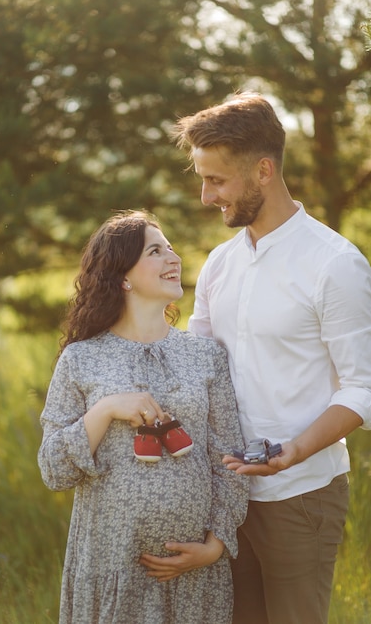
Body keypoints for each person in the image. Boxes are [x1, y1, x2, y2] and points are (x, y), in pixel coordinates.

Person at [171, 92, 371, 624]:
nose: (205, 195)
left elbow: (362, 388)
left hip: (301, 496)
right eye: (203, 178)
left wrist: (294, 450)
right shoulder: (219, 264)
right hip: (227, 495)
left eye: (216, 180)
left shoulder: (335, 265)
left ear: (263, 170)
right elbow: (198, 366)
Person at [38, 210, 248, 624]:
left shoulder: (205, 355)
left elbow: (230, 460)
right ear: (123, 277)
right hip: (111, 568)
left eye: (171, 247)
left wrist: (216, 544)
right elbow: (53, 469)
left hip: (195, 578)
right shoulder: (81, 359)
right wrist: (107, 409)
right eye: (156, 250)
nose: (174, 258)